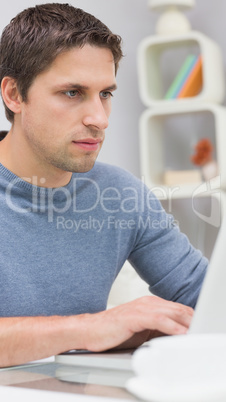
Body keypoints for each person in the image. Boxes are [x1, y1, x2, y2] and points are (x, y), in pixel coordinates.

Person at [0, 3, 207, 368]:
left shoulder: (121, 195)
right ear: (14, 95)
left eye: (106, 94)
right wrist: (90, 328)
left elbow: (204, 295)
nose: (99, 118)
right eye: (72, 93)